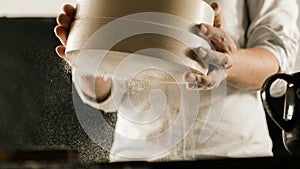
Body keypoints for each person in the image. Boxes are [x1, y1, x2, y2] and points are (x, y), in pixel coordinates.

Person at [54, 0, 299, 162]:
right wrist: (88, 55)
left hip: (232, 154)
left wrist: (229, 64)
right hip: (136, 157)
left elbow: (279, 61)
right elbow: (106, 97)